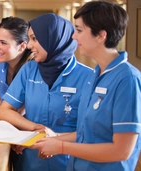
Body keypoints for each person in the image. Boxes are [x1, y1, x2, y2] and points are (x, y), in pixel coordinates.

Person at [31, 1, 141, 171]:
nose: (74, 36)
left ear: (100, 35)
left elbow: (121, 150)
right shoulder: (94, 76)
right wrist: (55, 139)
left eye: (79, 30)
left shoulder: (127, 80)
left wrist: (61, 147)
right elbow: (87, 133)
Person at [0, 13, 93, 171]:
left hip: (67, 162)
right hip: (29, 161)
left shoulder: (88, 78)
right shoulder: (29, 70)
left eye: (34, 39)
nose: (29, 46)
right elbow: (5, 111)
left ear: (54, 40)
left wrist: (55, 140)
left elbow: (90, 131)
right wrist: (35, 129)